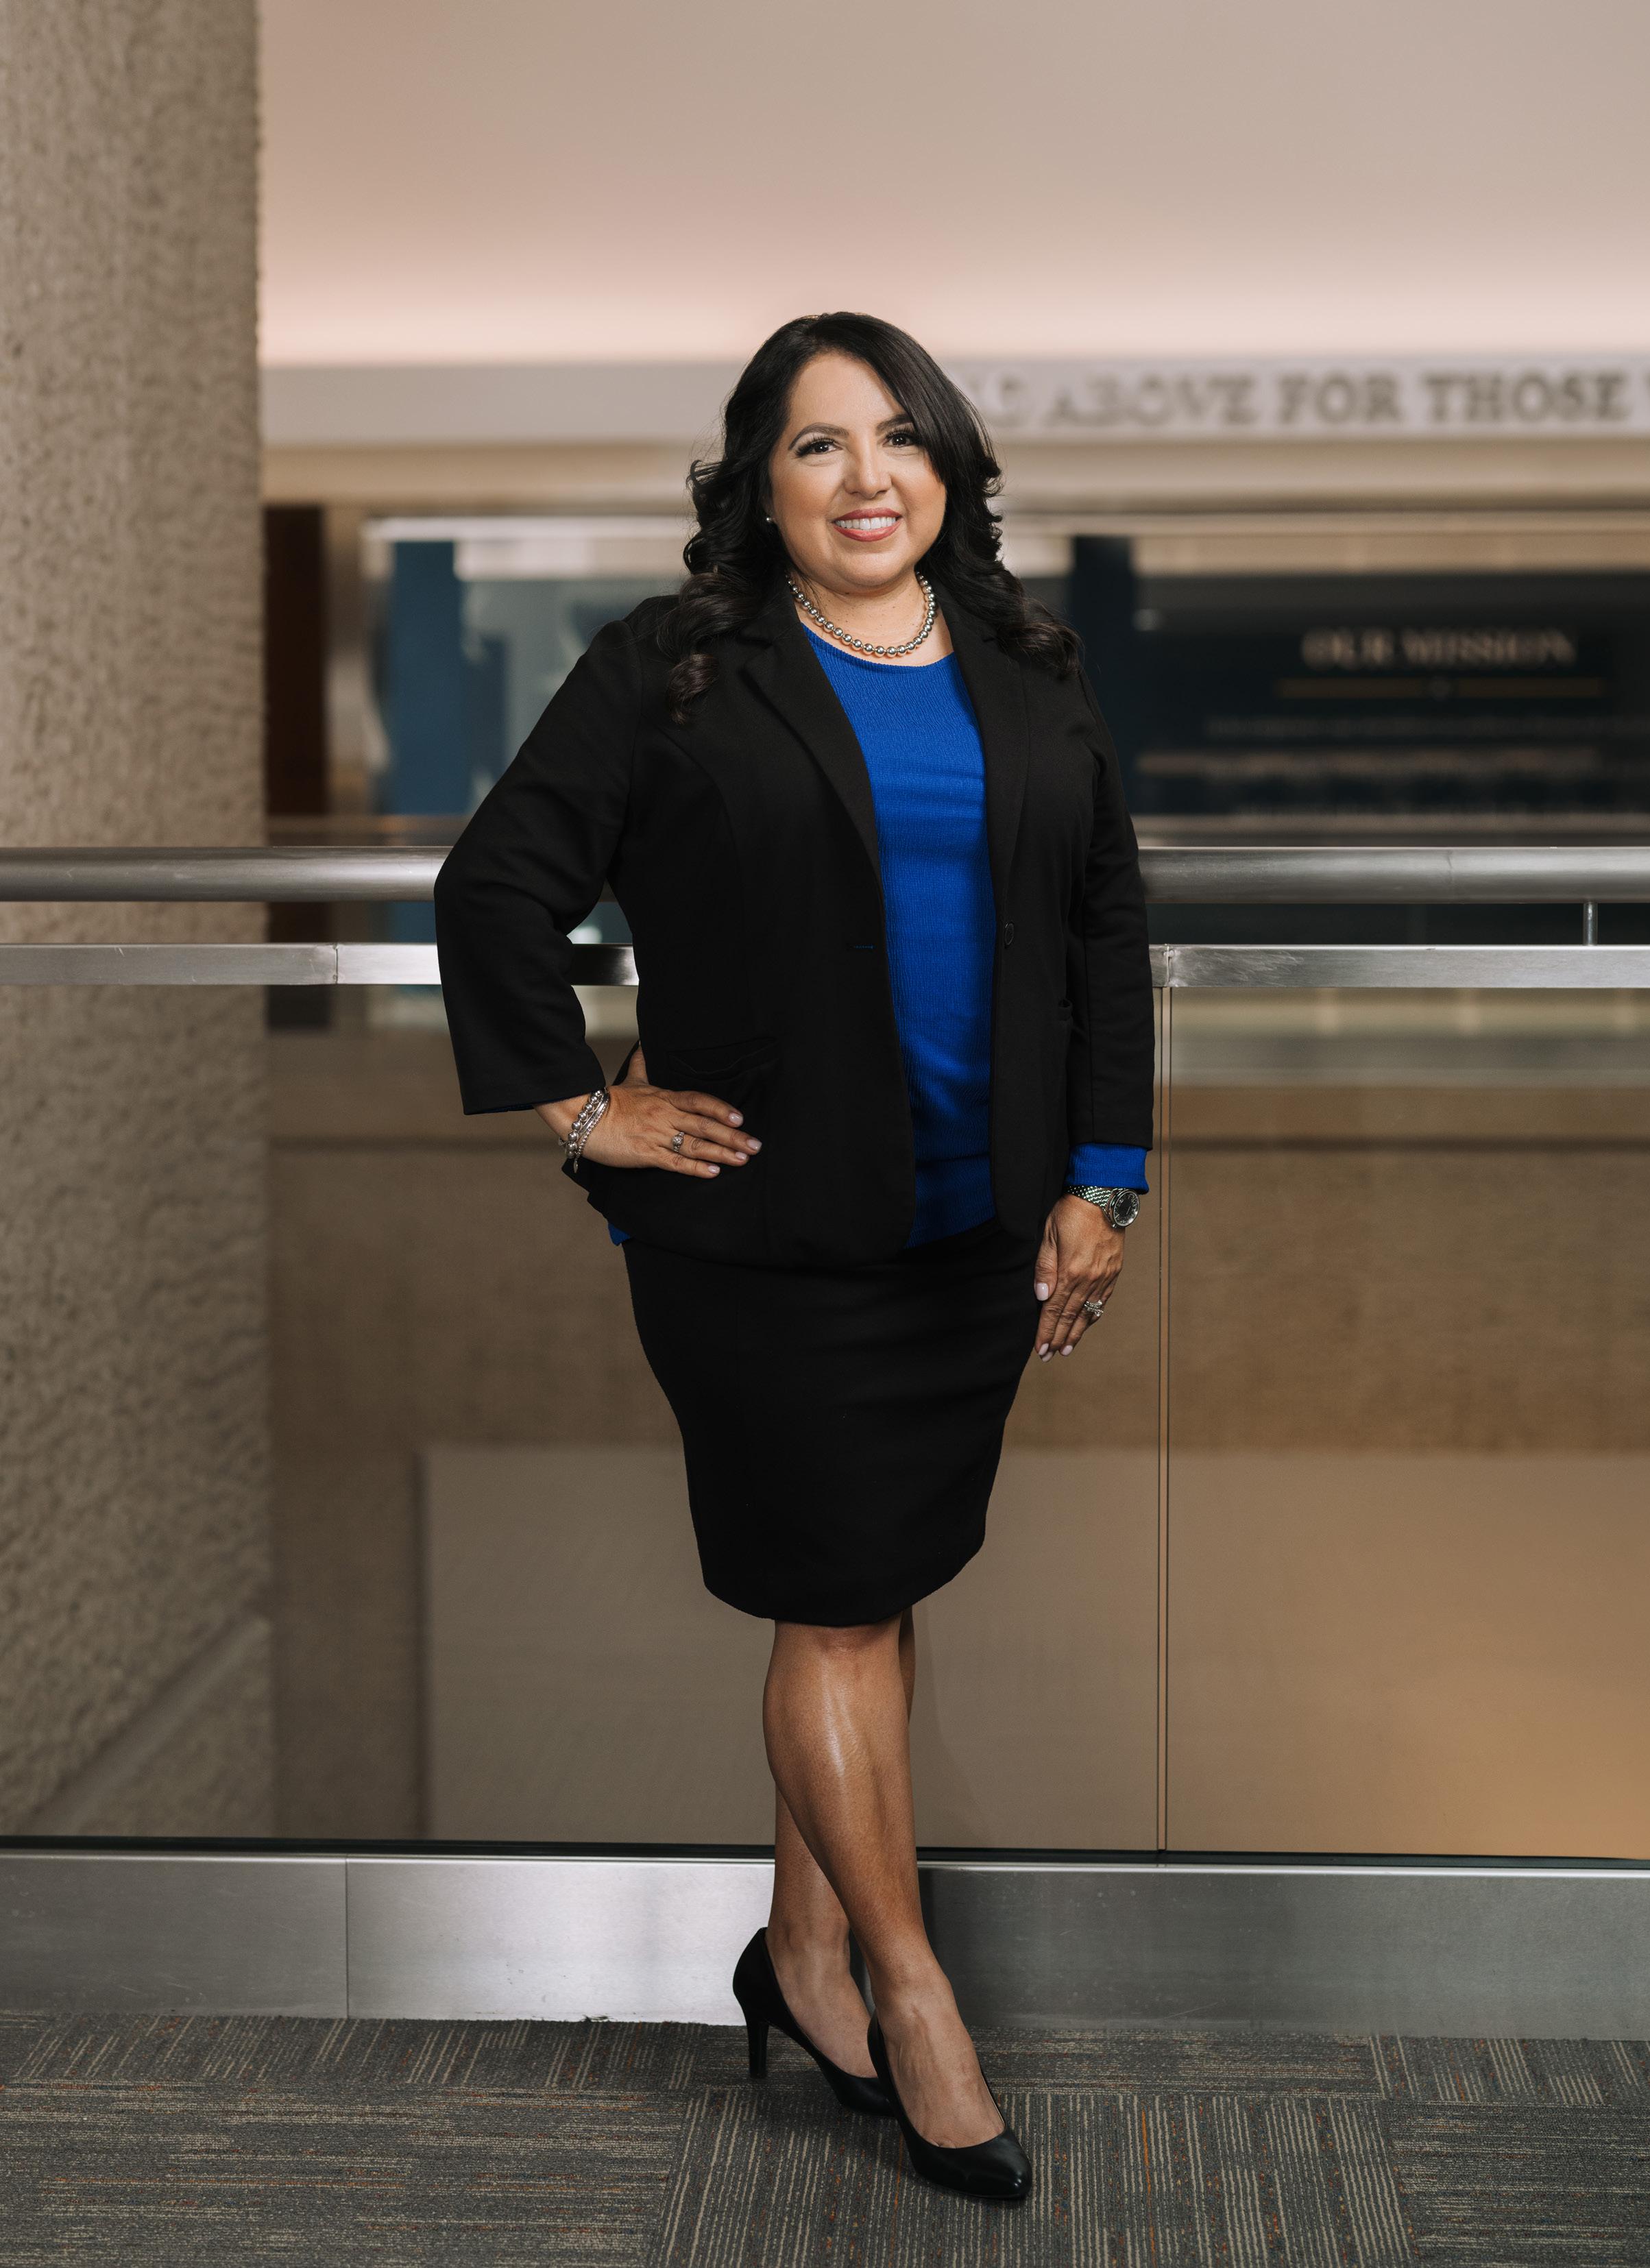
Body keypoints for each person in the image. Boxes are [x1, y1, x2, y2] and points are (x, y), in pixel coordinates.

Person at [434, 312, 1154, 2202]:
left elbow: (1102, 923)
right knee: (839, 1604)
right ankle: (913, 1996)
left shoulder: (1025, 666)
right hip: (760, 1232)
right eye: (821, 444)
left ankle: (803, 1953)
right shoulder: (675, 668)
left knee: (869, 1587)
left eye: (900, 438)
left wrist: (1104, 1177)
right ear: (760, 481)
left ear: (952, 469)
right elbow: (495, 885)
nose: (867, 477)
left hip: (974, 1225)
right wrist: (578, 1110)